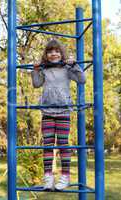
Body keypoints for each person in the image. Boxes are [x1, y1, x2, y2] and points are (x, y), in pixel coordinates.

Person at [31, 39, 85, 190]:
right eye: (50, 51)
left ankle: (65, 176)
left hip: (63, 110)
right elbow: (36, 84)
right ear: (46, 54)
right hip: (47, 111)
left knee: (63, 144)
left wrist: (75, 65)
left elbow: (82, 79)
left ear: (61, 54)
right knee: (47, 145)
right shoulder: (45, 69)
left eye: (56, 51)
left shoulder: (67, 68)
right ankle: (48, 176)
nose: (53, 54)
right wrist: (35, 70)